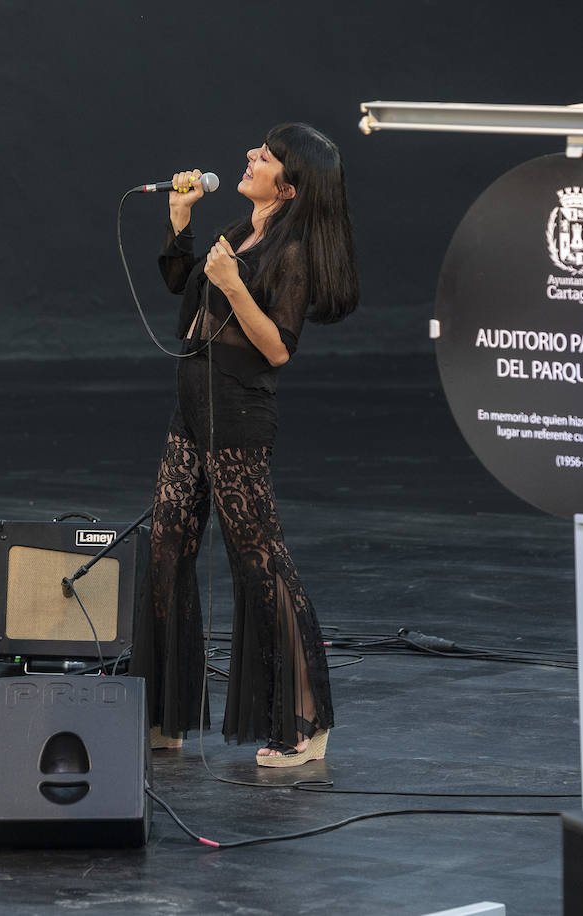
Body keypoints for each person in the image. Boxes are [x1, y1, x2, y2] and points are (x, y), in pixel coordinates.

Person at [130, 123, 359, 767]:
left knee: (258, 558)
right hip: (192, 405)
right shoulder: (239, 230)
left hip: (236, 411)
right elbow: (185, 288)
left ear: (289, 186)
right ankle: (166, 714)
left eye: (266, 156)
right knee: (168, 546)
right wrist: (180, 221)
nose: (251, 157)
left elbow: (278, 347)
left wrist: (232, 284)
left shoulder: (290, 252)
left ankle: (306, 719)